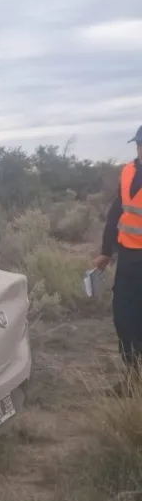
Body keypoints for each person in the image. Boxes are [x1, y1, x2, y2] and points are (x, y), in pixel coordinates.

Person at [93, 125, 142, 383]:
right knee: (124, 318)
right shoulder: (128, 172)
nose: (140, 149)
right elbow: (116, 214)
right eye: (139, 144)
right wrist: (105, 251)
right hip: (129, 259)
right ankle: (133, 380)